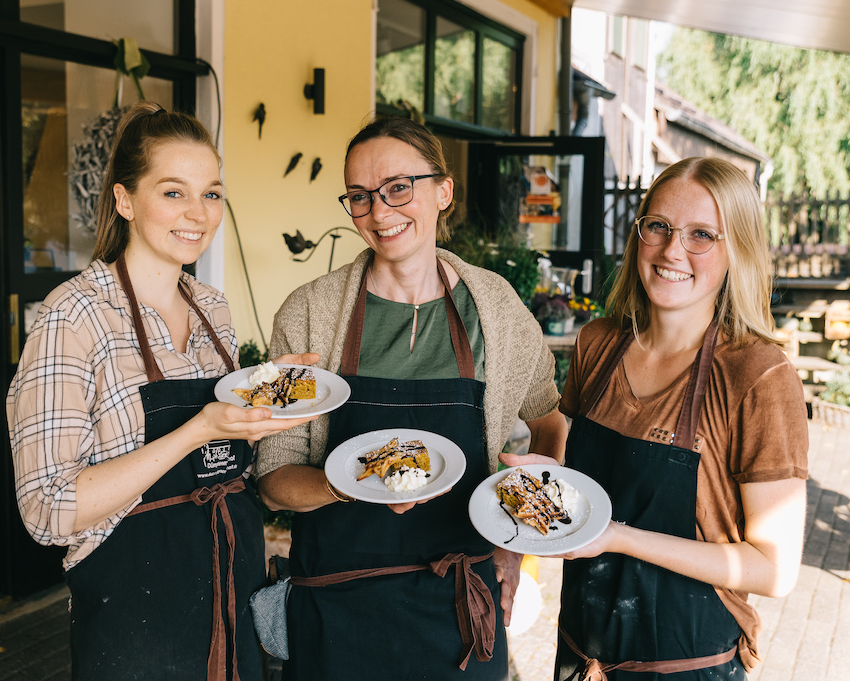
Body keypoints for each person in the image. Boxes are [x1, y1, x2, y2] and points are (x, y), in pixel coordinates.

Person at [7, 101, 316, 681]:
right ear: (125, 200)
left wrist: (275, 395)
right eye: (173, 192)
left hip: (235, 592)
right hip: (137, 624)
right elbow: (46, 510)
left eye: (212, 193)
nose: (198, 213)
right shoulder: (73, 317)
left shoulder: (212, 309)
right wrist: (198, 429)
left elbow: (228, 463)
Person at [256, 115, 567, 680]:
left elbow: (549, 422)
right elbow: (274, 479)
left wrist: (512, 543)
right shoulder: (308, 313)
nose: (380, 211)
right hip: (338, 608)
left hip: (458, 610)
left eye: (399, 187)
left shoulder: (493, 308)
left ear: (443, 191)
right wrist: (350, 485)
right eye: (359, 197)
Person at [504, 157, 809, 680]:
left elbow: (773, 570)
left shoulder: (757, 375)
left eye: (701, 235)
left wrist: (618, 537)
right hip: (582, 652)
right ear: (637, 234)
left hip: (688, 664)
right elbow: (580, 480)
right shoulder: (597, 344)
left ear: (737, 250)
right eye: (659, 227)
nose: (672, 250)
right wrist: (539, 484)